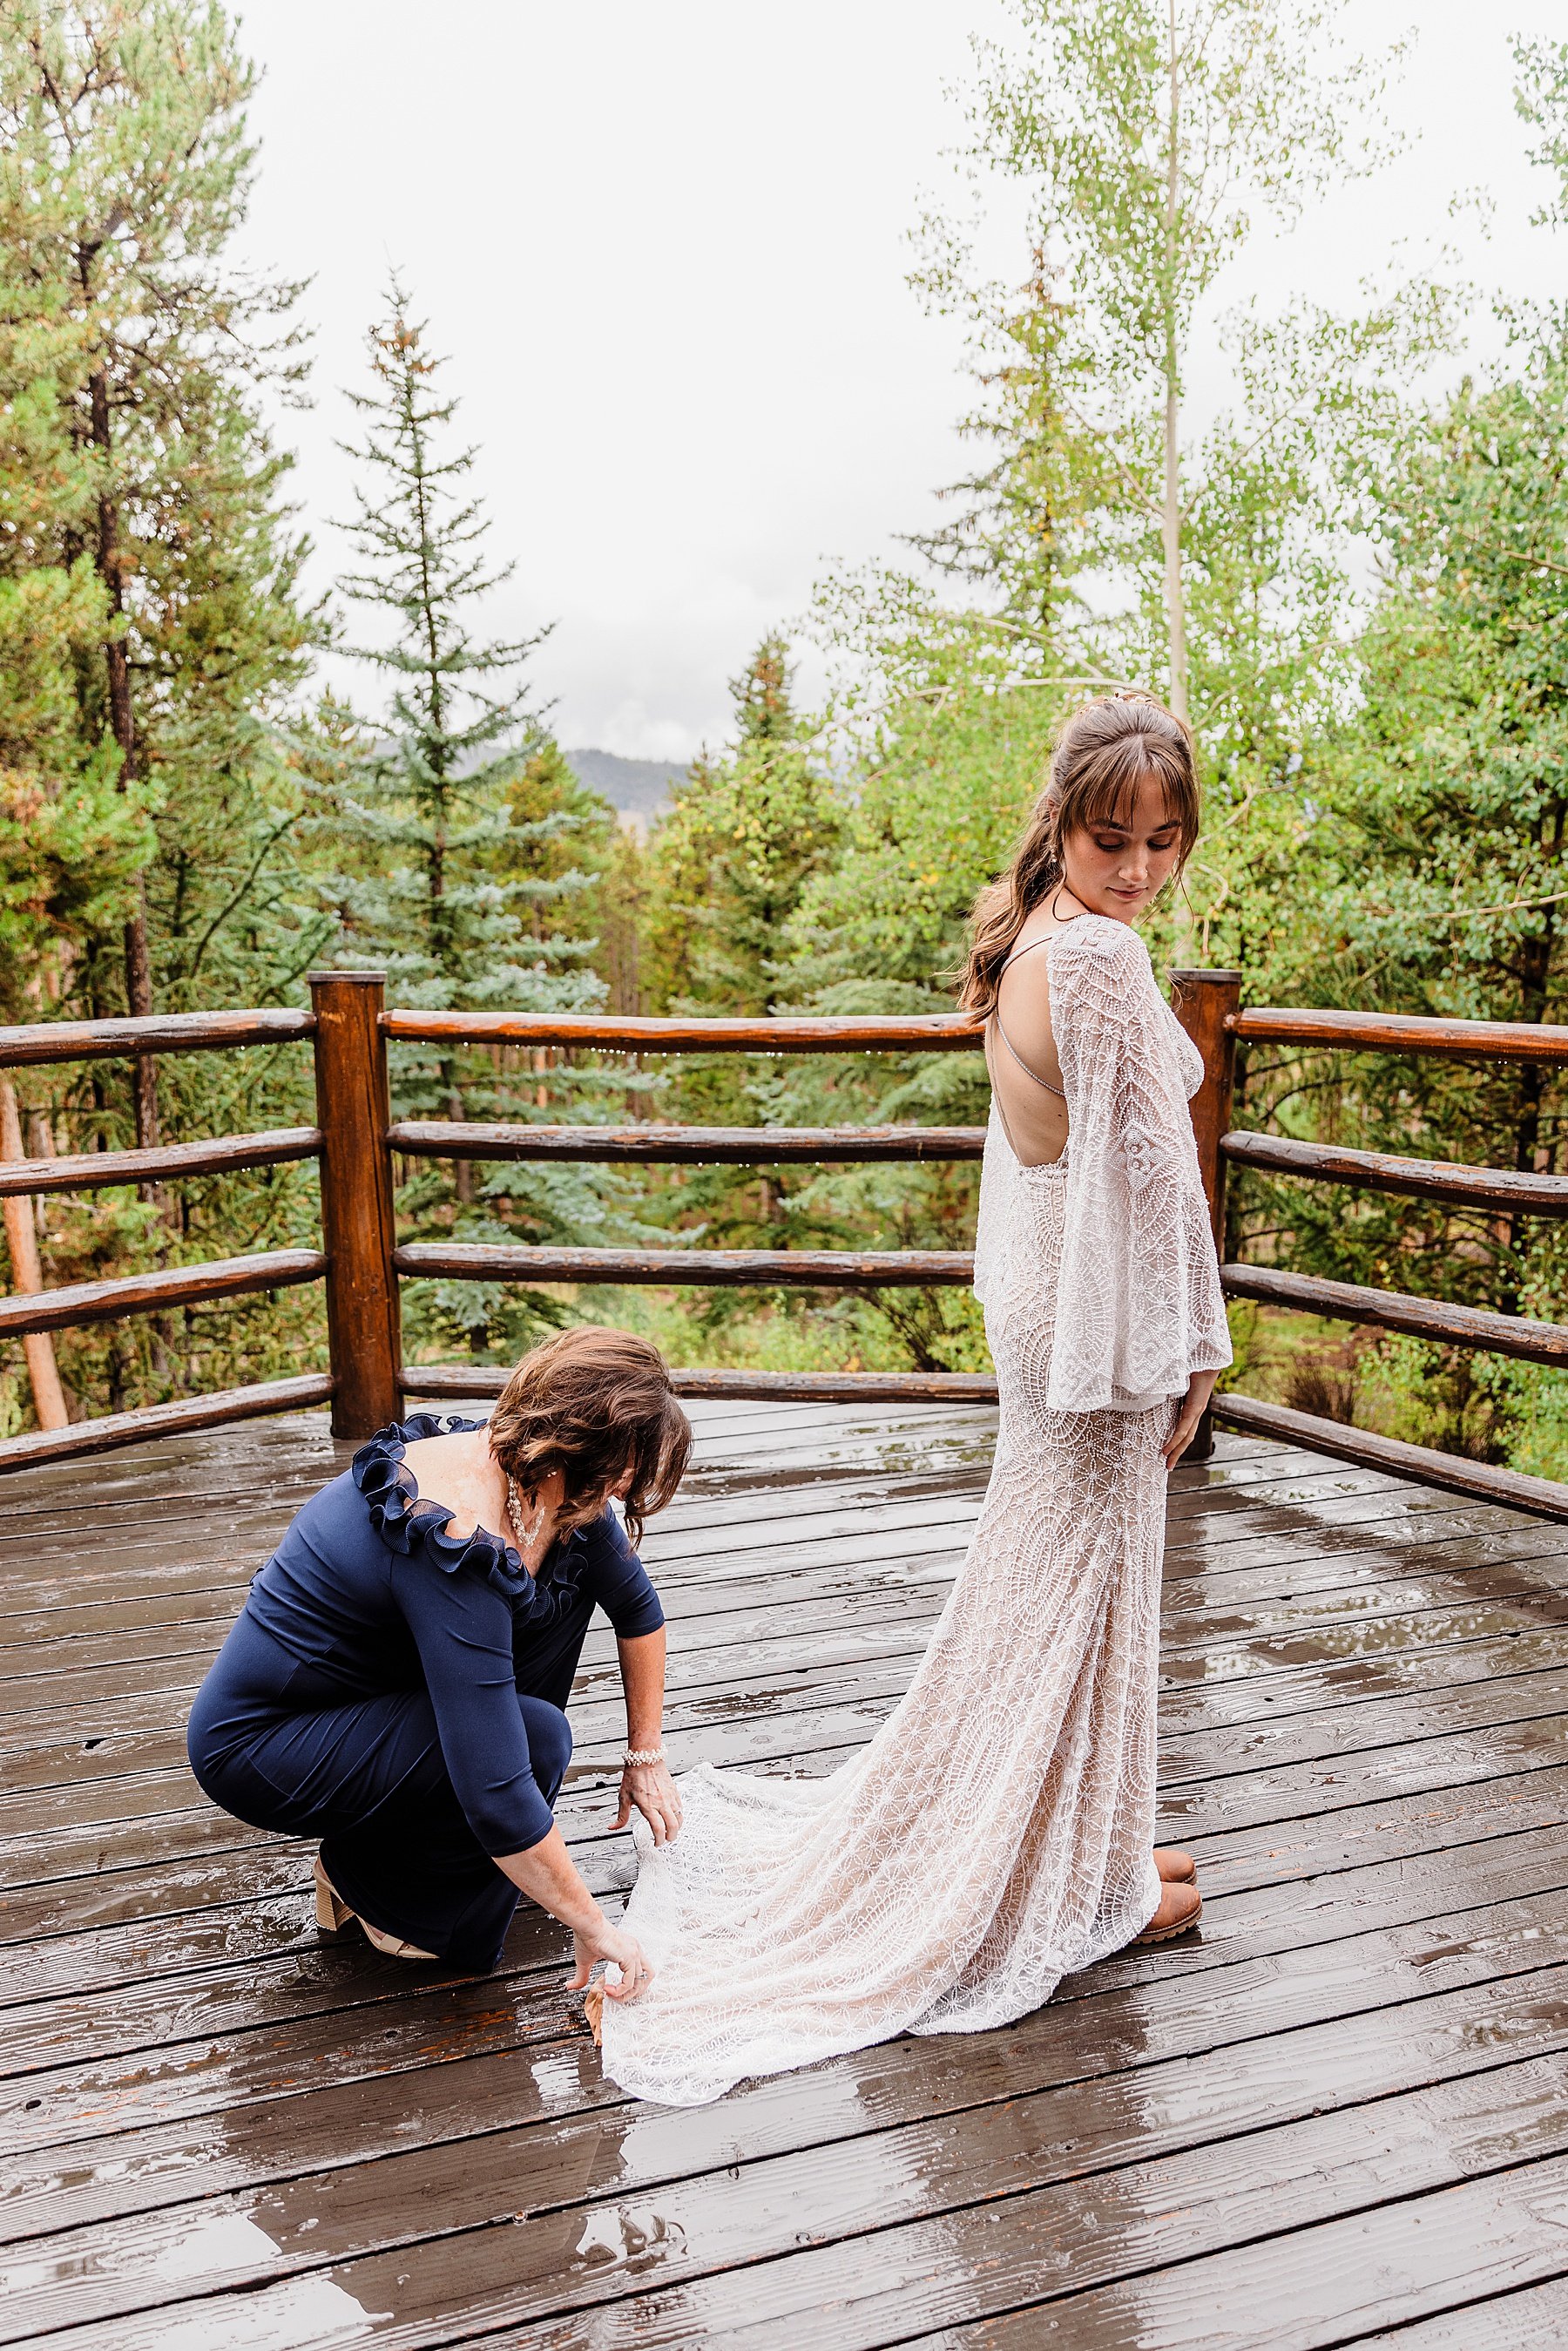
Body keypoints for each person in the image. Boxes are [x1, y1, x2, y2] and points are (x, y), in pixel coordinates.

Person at [593, 688, 1233, 2105]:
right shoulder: (1108, 963)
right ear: (1064, 818)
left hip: (1043, 1308)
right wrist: (1197, 1346)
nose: (1136, 866)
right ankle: (1053, 1891)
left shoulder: (1032, 939)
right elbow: (1158, 1178)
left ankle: (1091, 1857)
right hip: (1101, 1324)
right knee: (1076, 1595)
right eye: (1111, 835)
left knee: (1042, 1588)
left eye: (1160, 839)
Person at [187, 1325, 691, 1997]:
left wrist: (645, 1756)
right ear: (567, 1449)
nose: (625, 1490)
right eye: (619, 1472)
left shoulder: (547, 1485)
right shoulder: (454, 1536)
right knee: (537, 1742)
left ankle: (396, 1844)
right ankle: (375, 1894)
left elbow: (639, 1612)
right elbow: (499, 1794)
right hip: (265, 1740)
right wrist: (595, 1926)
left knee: (565, 1593)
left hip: (377, 1688)